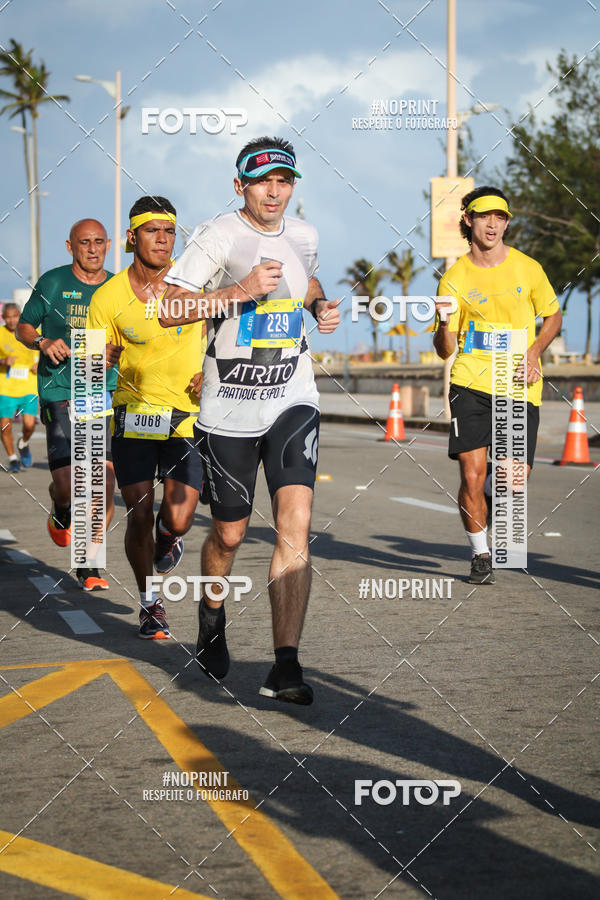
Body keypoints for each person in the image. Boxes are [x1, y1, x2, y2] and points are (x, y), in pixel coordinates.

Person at [160, 136, 341, 704]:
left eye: (284, 181)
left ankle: (285, 664)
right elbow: (169, 307)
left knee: (295, 524)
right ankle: (211, 613)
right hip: (228, 408)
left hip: (292, 396)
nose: (274, 190)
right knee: (231, 533)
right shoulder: (219, 234)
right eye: (262, 180)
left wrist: (318, 305)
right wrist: (236, 291)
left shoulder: (305, 234)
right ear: (240, 185)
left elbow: (304, 277)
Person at [87, 196, 206, 640]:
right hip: (134, 415)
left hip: (184, 416)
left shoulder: (192, 283)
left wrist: (207, 372)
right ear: (131, 237)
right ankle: (150, 603)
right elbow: (88, 368)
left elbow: (220, 330)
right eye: (152, 231)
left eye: (170, 231)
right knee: (138, 510)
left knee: (178, 517)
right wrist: (99, 360)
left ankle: (167, 536)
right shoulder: (108, 297)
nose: (163, 239)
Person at [434, 186, 562, 584]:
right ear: (468, 220)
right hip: (470, 382)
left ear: (507, 223)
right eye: (485, 216)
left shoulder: (528, 268)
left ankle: (489, 495)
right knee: (471, 474)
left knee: (511, 479)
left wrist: (535, 350)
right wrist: (442, 323)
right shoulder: (453, 279)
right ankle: (481, 554)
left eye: (501, 217)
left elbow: (552, 317)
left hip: (518, 384)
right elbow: (444, 349)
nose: (493, 224)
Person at [17, 219, 117, 591]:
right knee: (67, 484)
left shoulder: (117, 287)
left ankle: (89, 563)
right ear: (70, 246)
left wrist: (116, 353)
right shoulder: (53, 282)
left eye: (99, 242)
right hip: (60, 389)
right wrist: (42, 342)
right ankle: (60, 508)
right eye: (84, 243)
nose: (92, 249)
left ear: (108, 244)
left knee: (102, 480)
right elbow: (24, 327)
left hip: (99, 389)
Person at [0, 302, 38, 473]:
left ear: (20, 315)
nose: (11, 320)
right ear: (3, 317)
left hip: (29, 384)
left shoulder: (30, 331)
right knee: (5, 425)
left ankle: (23, 443)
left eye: (15, 316)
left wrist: (40, 365)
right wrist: (2, 361)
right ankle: (13, 458)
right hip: (6, 387)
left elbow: (44, 352)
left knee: (29, 425)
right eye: (8, 317)